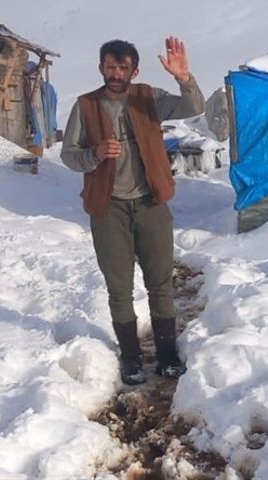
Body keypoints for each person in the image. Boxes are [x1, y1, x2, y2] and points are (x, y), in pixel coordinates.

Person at [60, 37, 202, 384]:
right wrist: (94, 154)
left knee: (160, 283)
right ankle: (131, 358)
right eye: (110, 66)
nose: (116, 73)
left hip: (151, 203)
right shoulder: (86, 106)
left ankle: (167, 355)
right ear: (101, 68)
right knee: (119, 287)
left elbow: (193, 106)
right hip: (108, 208)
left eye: (123, 67)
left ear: (134, 70)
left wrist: (184, 77)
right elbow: (68, 155)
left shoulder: (148, 98)